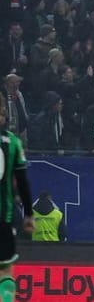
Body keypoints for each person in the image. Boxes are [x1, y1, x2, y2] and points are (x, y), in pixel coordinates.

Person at [0, 103, 32, 295]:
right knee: (5, 271)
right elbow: (22, 181)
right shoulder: (13, 142)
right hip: (4, 218)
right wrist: (28, 213)